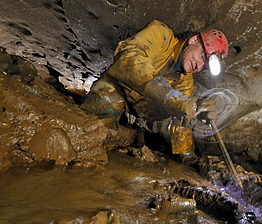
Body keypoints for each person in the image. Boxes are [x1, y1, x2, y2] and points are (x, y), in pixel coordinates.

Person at [80, 20, 228, 161]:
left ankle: (130, 134)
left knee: (180, 113)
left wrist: (187, 153)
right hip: (115, 89)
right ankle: (127, 134)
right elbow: (129, 56)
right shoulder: (161, 35)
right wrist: (171, 97)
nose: (199, 66)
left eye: (204, 66)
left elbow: (181, 121)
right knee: (97, 119)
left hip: (136, 110)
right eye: (202, 56)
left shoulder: (186, 83)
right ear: (194, 40)